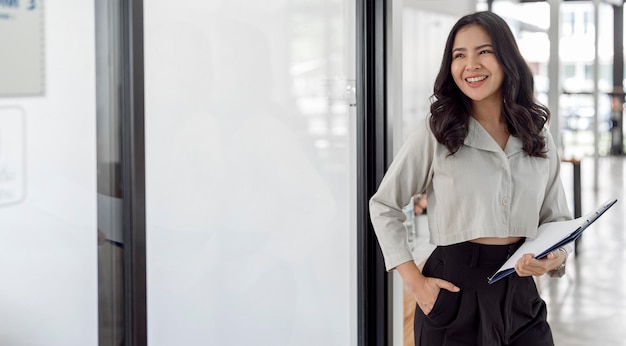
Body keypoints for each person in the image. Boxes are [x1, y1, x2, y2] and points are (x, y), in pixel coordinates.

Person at [369, 11, 572, 346]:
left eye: (484, 52)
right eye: (459, 55)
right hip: (453, 294)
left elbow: (557, 219)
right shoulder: (437, 132)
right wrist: (416, 284)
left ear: (507, 58)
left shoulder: (537, 134)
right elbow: (384, 205)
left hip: (521, 296)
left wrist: (555, 258)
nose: (471, 65)